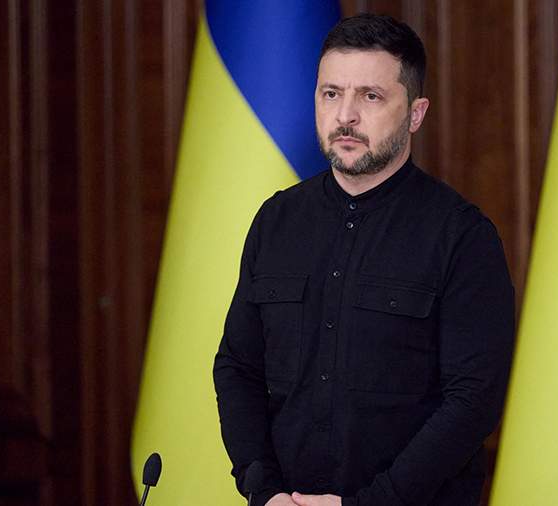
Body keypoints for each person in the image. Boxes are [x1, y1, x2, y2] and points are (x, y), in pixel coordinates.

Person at [214, 13, 515, 506]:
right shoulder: (276, 221)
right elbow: (238, 367)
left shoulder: (462, 236)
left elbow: (473, 401)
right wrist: (263, 490)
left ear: (415, 114)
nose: (345, 116)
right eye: (331, 94)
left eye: (370, 97)